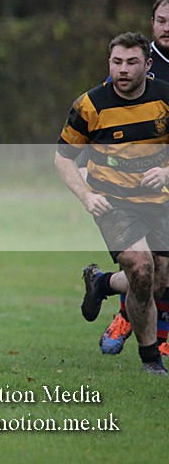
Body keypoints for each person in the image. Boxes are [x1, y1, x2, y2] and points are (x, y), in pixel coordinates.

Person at [55, 31, 169, 376]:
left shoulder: (165, 98)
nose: (123, 69)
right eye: (117, 62)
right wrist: (87, 196)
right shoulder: (90, 106)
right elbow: (63, 159)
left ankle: (102, 283)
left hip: (159, 201)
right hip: (114, 202)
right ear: (109, 63)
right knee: (140, 267)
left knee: (159, 282)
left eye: (132, 62)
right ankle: (151, 359)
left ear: (147, 65)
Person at [79, 0, 169, 358]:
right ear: (152, 23)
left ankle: (103, 283)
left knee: (157, 272)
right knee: (143, 265)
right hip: (136, 191)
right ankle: (153, 339)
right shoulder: (139, 68)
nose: (168, 27)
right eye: (162, 20)